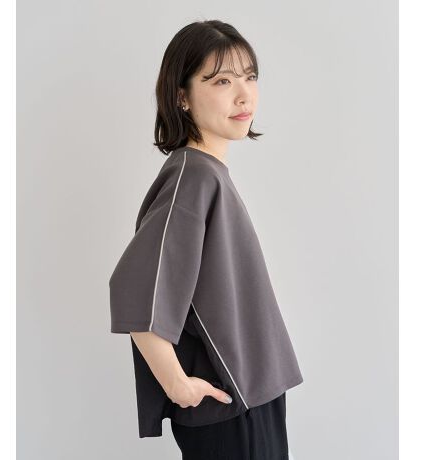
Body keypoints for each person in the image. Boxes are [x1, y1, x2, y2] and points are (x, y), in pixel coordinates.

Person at [109, 19, 304, 460]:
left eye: (250, 77)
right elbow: (133, 290)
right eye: (222, 81)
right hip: (231, 407)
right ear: (182, 96)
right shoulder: (193, 177)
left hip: (252, 397)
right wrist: (178, 385)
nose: (244, 95)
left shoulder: (207, 174)